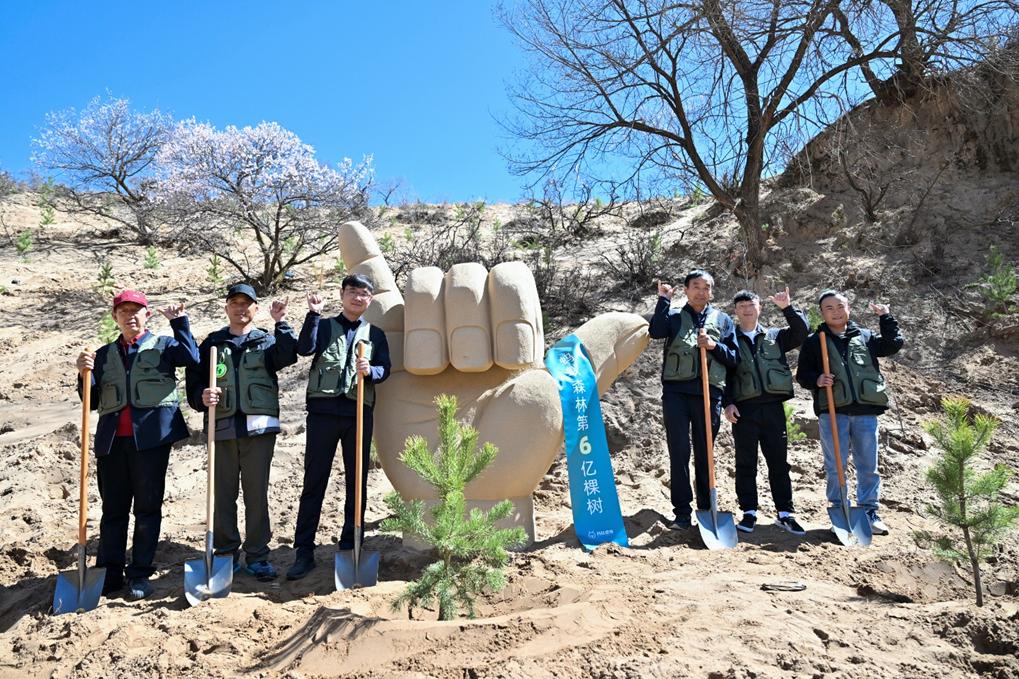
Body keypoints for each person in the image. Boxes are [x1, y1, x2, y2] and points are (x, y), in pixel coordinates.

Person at [74, 290, 198, 600]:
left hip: (152, 442)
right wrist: (82, 374)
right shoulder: (102, 355)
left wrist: (179, 322)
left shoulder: (165, 345)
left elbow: (192, 357)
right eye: (123, 311)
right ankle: (110, 574)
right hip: (112, 443)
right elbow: (89, 402)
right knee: (113, 510)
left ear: (147, 315)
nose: (130, 315)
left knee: (147, 509)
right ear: (115, 317)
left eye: (136, 310)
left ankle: (140, 573)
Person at [185, 283, 297, 581]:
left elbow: (288, 356)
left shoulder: (266, 341)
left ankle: (258, 556)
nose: (240, 308)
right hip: (221, 428)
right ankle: (225, 553)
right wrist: (201, 397)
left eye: (246, 303)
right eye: (234, 302)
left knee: (256, 492)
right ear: (226, 308)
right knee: (222, 493)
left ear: (255, 309)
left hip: (258, 431)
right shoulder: (212, 343)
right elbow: (193, 382)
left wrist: (281, 322)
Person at [286, 274, 392, 580]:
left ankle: (350, 546)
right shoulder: (324, 325)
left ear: (370, 300)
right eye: (353, 292)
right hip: (322, 413)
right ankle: (303, 552)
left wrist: (371, 370)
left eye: (364, 294)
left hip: (358, 413)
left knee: (356, 483)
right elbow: (304, 348)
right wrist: (312, 314)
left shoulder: (376, 334)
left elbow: (386, 367)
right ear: (342, 294)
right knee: (314, 482)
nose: (358, 298)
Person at [795, 290, 904, 535]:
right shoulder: (815, 341)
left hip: (865, 412)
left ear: (849, 308)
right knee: (836, 464)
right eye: (829, 308)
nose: (835, 311)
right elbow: (803, 376)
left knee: (868, 465)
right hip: (833, 412)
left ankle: (869, 511)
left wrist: (886, 317)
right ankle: (840, 511)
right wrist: (818, 379)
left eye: (840, 306)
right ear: (822, 313)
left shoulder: (864, 336)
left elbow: (892, 344)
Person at [649, 270, 739, 530]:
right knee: (679, 451)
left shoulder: (722, 320)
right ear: (686, 290)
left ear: (712, 291)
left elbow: (734, 359)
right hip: (676, 393)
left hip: (709, 393)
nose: (701, 291)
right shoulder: (675, 317)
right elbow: (656, 331)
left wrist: (713, 346)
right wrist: (663, 300)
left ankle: (707, 507)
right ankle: (682, 512)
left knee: (705, 451)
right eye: (696, 286)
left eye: (706, 287)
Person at [722, 287, 808, 535]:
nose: (747, 310)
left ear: (759, 308)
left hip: (772, 409)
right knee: (745, 462)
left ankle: (785, 513)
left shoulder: (776, 336)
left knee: (778, 463)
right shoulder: (729, 341)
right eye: (742, 307)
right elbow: (724, 376)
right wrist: (728, 403)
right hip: (744, 410)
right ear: (736, 311)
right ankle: (749, 512)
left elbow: (802, 333)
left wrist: (787, 308)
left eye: (752, 305)